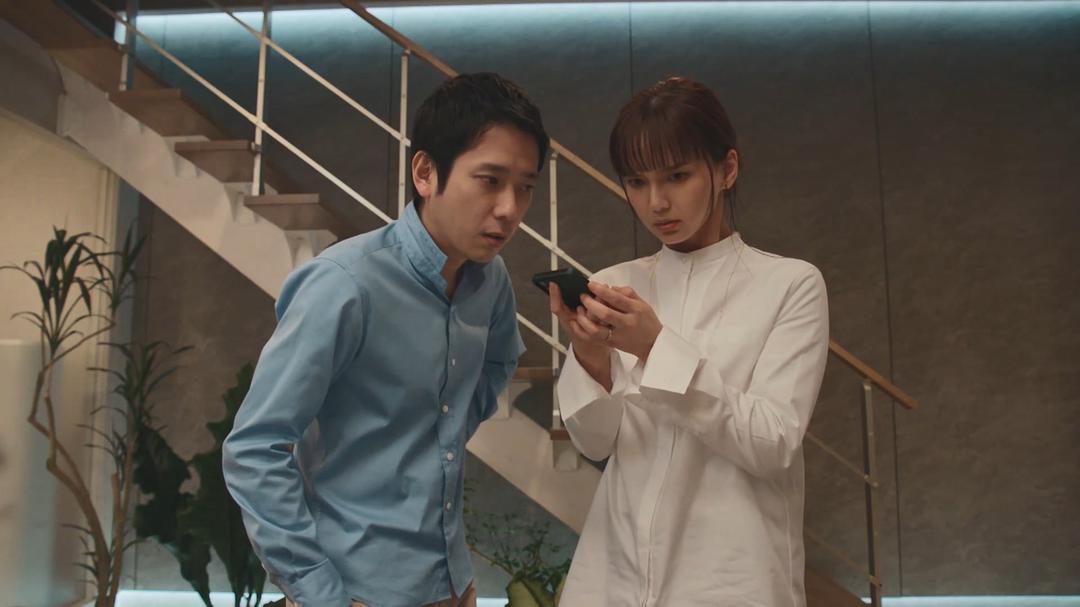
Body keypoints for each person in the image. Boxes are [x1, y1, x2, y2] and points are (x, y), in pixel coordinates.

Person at [222, 72, 549, 607]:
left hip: (451, 583)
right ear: (425, 172)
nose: (510, 208)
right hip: (356, 589)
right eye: (490, 180)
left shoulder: (489, 279)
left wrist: (438, 433)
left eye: (526, 187)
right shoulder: (344, 284)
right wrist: (317, 592)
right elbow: (254, 448)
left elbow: (498, 364)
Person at [550, 76, 829, 607]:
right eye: (637, 182)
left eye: (677, 176)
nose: (657, 202)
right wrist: (590, 358)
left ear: (727, 169)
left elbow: (772, 443)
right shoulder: (616, 284)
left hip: (731, 581)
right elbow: (594, 443)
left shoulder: (790, 285)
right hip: (611, 577)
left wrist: (656, 348)